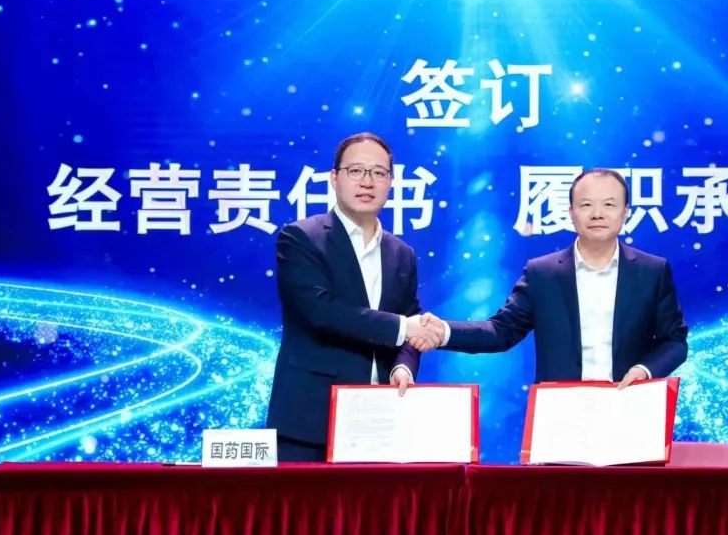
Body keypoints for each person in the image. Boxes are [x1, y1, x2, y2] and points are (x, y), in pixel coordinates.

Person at [415, 168, 688, 386]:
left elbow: (674, 341)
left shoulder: (652, 271)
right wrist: (444, 332)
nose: (597, 214)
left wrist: (644, 370)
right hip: (559, 414)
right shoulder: (542, 273)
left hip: (629, 406)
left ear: (625, 211)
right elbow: (501, 331)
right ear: (571, 213)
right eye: (586, 205)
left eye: (609, 204)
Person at [266, 132, 441, 461]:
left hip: (381, 420)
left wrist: (403, 367)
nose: (367, 181)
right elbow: (322, 312)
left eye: (378, 172)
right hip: (309, 423)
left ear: (390, 182)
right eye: (356, 170)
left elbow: (411, 321)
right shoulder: (301, 238)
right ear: (335, 178)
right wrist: (405, 327)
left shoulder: (401, 253)